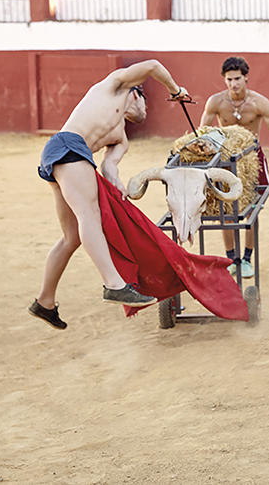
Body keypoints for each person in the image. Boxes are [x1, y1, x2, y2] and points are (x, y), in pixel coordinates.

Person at [29, 60, 191, 330]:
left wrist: (118, 184)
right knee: (90, 214)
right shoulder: (115, 85)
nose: (146, 112)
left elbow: (108, 166)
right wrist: (176, 90)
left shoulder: (121, 136)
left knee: (71, 237)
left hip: (66, 157)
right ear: (136, 94)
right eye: (146, 105)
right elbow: (153, 65)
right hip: (69, 144)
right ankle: (114, 284)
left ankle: (44, 302)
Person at [199, 56, 269, 278]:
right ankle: (233, 259)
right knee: (226, 212)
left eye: (237, 79)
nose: (233, 84)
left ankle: (247, 259)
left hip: (252, 159)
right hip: (226, 159)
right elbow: (202, 133)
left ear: (246, 77)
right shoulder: (216, 102)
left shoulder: (259, 103)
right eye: (229, 79)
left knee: (253, 210)